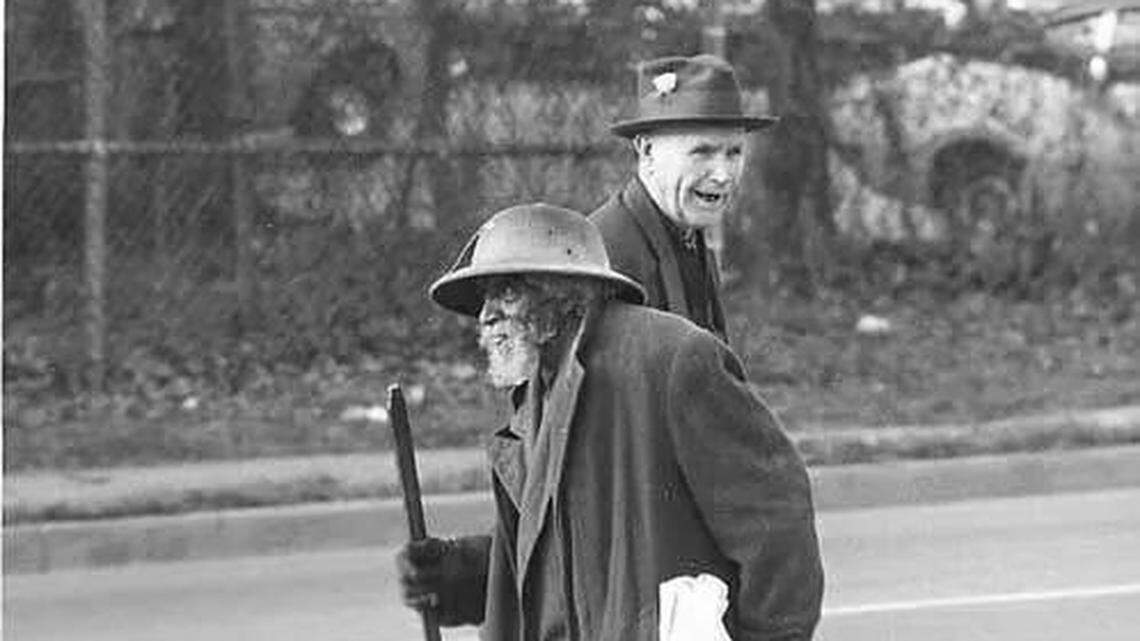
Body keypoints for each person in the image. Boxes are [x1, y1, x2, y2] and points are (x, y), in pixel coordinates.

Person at [397, 203, 823, 640]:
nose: (486, 315)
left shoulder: (669, 358)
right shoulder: (535, 396)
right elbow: (565, 561)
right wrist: (462, 575)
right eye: (485, 297)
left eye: (505, 293)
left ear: (560, 291)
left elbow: (776, 524)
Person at [590, 54, 777, 343]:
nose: (723, 175)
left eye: (734, 153)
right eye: (702, 151)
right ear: (647, 150)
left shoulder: (689, 237)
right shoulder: (602, 258)